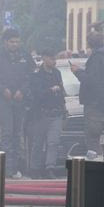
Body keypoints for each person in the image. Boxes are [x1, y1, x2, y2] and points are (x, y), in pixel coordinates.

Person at [0, 28, 36, 178]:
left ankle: (17, 167)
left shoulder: (25, 57)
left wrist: (23, 90)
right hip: (4, 101)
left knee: (17, 134)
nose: (15, 44)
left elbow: (31, 76)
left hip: (20, 100)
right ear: (5, 42)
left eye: (17, 41)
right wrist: (2, 90)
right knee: (7, 134)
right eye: (12, 41)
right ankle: (7, 168)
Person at [70, 31, 104, 157]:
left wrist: (77, 72)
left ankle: (97, 164)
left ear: (89, 43)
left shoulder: (96, 58)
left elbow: (91, 80)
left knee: (92, 139)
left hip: (94, 104)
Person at [27, 50, 66, 179]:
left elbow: (61, 92)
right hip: (41, 113)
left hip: (56, 113)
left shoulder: (57, 73)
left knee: (53, 142)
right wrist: (50, 90)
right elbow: (36, 94)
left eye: (54, 58)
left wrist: (63, 107)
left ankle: (50, 167)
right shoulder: (37, 75)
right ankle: (34, 168)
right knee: (38, 142)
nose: (54, 61)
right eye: (51, 58)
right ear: (44, 58)